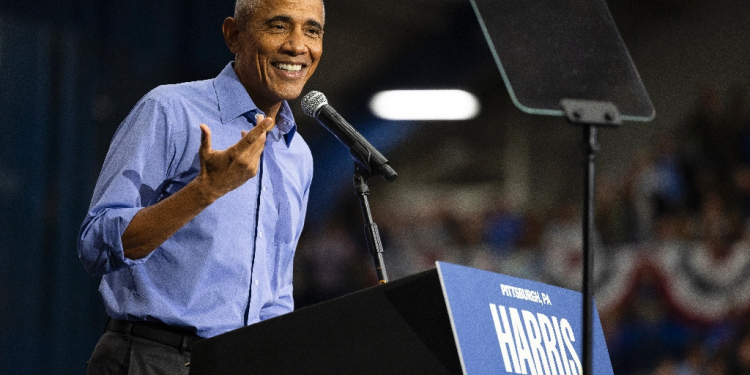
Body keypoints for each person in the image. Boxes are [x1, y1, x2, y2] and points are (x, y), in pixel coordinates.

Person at [78, 0, 324, 373]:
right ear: (233, 35)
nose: (297, 46)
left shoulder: (297, 155)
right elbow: (95, 245)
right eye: (278, 26)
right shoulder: (170, 110)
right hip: (152, 357)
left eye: (312, 30)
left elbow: (275, 293)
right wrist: (205, 190)